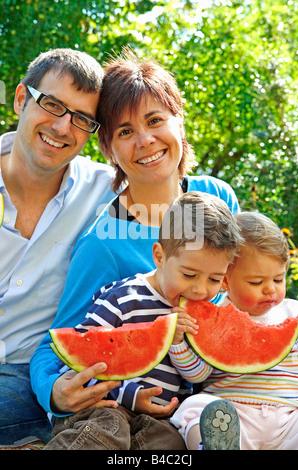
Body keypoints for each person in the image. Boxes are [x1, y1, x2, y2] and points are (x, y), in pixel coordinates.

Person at [30, 48, 240, 432]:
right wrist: (54, 393)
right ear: (108, 148)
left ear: (180, 122)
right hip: (150, 408)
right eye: (125, 132)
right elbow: (61, 341)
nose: (145, 140)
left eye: (155, 120)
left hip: (223, 386)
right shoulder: (103, 243)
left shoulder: (218, 197)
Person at [43, 191, 242, 449]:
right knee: (108, 430)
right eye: (189, 274)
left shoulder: (201, 314)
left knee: (171, 443)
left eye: (214, 279)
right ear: (159, 256)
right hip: (104, 407)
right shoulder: (123, 298)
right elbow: (79, 363)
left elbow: (196, 377)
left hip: (159, 420)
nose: (201, 290)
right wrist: (130, 396)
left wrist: (179, 342)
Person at [0, 48, 118, 447]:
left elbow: (174, 188)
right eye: (52, 105)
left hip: (33, 380)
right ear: (21, 98)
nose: (63, 127)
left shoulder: (108, 191)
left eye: (82, 119)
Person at [170, 212, 298, 450]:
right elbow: (197, 375)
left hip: (289, 418)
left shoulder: (295, 313)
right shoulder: (214, 315)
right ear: (226, 280)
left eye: (279, 279)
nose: (270, 290)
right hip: (229, 415)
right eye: (256, 282)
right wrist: (177, 341)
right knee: (194, 408)